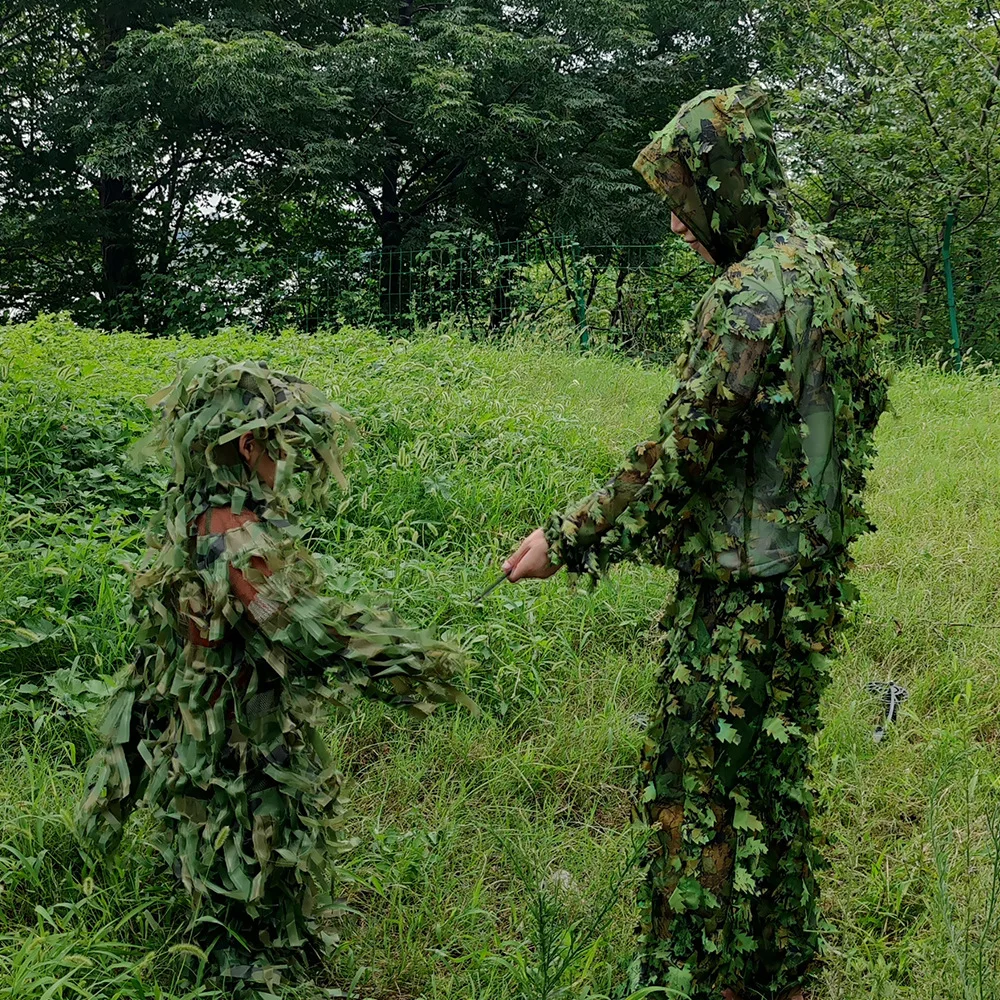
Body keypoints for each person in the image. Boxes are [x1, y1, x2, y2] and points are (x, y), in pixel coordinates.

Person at [503, 82, 887, 1000]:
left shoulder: (748, 293)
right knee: (773, 781)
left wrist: (567, 536)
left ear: (727, 188)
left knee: (697, 786)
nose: (677, 224)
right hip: (812, 574)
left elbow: (684, 449)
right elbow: (857, 410)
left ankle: (692, 977)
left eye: (684, 201)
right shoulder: (829, 266)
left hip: (742, 587)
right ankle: (785, 969)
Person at [78, 356, 473, 991]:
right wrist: (414, 656)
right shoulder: (232, 536)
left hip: (214, 741)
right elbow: (305, 635)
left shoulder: (193, 514)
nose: (290, 461)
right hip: (236, 757)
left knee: (252, 884)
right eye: (283, 444)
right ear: (247, 445)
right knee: (250, 890)